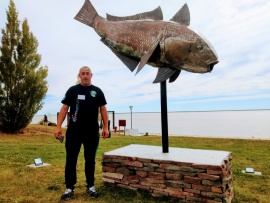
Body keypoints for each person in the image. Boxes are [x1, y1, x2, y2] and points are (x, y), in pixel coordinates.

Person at [54, 66, 109, 201]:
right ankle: (69, 188)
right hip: (74, 132)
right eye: (83, 74)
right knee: (71, 160)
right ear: (79, 75)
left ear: (91, 75)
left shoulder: (97, 91)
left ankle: (90, 186)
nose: (85, 76)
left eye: (87, 74)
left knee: (90, 160)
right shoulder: (72, 90)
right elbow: (64, 108)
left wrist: (106, 127)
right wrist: (58, 127)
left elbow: (103, 110)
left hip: (91, 132)